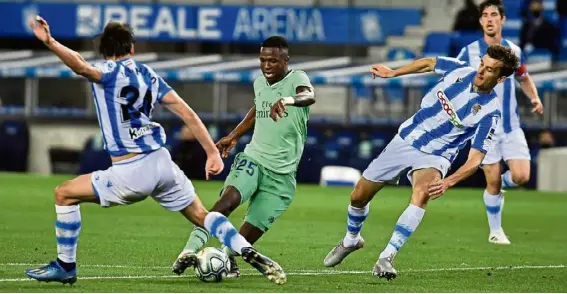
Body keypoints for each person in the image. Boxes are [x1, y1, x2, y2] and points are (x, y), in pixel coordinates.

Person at [23, 16, 286, 285]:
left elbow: (80, 66)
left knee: (64, 194)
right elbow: (188, 113)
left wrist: (51, 42)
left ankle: (65, 266)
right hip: (162, 163)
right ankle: (246, 250)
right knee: (202, 216)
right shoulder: (148, 74)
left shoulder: (108, 71)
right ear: (132, 49)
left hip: (131, 170)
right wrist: (212, 153)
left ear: (104, 52)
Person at [323, 44, 519, 280]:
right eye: (482, 64)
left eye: (489, 70)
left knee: (422, 192)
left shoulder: (489, 113)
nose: (480, 71)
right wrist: (393, 72)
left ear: (501, 78)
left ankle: (387, 257)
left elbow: (475, 159)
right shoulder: (459, 70)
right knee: (358, 196)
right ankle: (351, 240)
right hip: (406, 139)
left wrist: (448, 181)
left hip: (437, 155)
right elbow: (428, 62)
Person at [171, 36, 315, 278]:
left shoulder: (298, 78)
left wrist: (287, 100)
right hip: (254, 159)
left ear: (285, 60)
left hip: (282, 177)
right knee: (226, 202)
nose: (267, 65)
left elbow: (308, 96)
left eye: (273, 60)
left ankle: (226, 260)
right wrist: (234, 135)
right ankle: (188, 251)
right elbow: (257, 108)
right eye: (263, 60)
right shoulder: (259, 83)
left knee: (243, 237)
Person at [456, 0, 544, 245]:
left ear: (502, 19)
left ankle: (502, 183)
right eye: (485, 15)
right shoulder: (469, 52)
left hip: (511, 126)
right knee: (491, 182)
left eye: (494, 14)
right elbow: (456, 81)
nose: (489, 19)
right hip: (485, 128)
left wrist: (535, 98)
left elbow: (524, 77)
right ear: (481, 21)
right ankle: (495, 232)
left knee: (522, 177)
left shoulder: (513, 51)